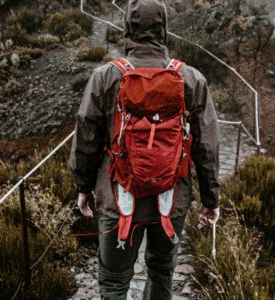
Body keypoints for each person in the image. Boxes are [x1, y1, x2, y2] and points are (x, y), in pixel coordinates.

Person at [69, 0, 220, 298]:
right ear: (163, 29)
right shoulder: (191, 79)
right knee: (162, 273)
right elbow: (208, 147)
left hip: (118, 200)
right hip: (171, 200)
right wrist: (210, 199)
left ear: (127, 28)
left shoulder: (106, 77)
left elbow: (86, 137)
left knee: (113, 281)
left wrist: (83, 187)